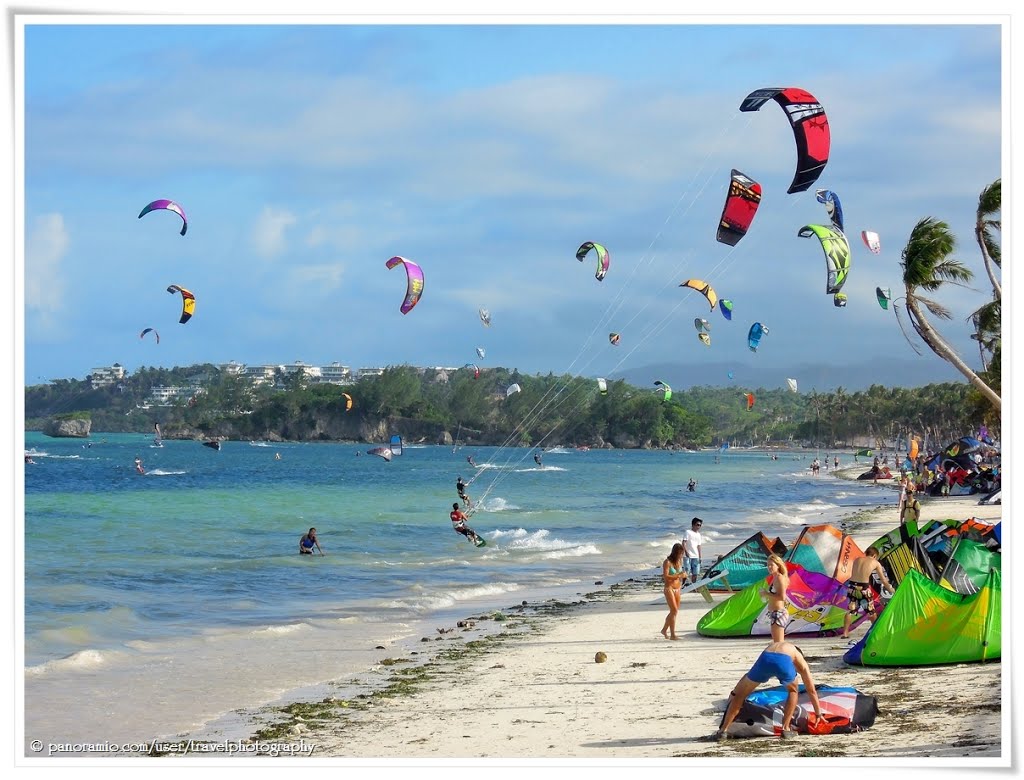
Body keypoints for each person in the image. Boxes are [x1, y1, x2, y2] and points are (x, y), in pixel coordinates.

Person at [715, 641, 823, 741]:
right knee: (793, 691)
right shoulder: (797, 656)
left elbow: (745, 678)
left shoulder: (779, 646)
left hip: (765, 657)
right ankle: (786, 729)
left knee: (741, 695)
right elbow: (811, 690)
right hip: (782, 661)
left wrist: (734, 694)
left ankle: (723, 731)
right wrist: (818, 713)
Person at [841, 547, 894, 641]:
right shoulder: (875, 563)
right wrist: (891, 590)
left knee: (850, 611)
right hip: (864, 588)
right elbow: (883, 580)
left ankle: (845, 633)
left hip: (852, 587)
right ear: (874, 555)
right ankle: (876, 631)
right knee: (871, 612)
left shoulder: (857, 560)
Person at [760, 554, 790, 642]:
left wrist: (766, 594)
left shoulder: (780, 578)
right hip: (774, 612)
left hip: (778, 613)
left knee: (778, 642)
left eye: (771, 565)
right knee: (776, 641)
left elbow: (782, 597)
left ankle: (784, 655)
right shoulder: (775, 577)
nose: (769, 567)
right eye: (768, 565)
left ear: (778, 565)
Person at [661, 542, 687, 640]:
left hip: (677, 588)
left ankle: (664, 630)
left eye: (682, 554)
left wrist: (683, 574)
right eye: (680, 554)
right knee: (674, 610)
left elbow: (679, 573)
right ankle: (672, 634)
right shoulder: (667, 562)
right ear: (675, 553)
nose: (681, 556)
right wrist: (679, 575)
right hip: (669, 588)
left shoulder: (679, 562)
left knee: (674, 612)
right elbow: (666, 576)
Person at [683, 517, 704, 582]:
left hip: (696, 556)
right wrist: (686, 551)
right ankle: (682, 585)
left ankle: (693, 586)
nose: (699, 526)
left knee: (695, 573)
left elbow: (699, 546)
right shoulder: (688, 532)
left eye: (700, 525)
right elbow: (684, 542)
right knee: (686, 571)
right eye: (697, 525)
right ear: (693, 524)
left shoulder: (699, 535)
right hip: (688, 556)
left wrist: (700, 557)